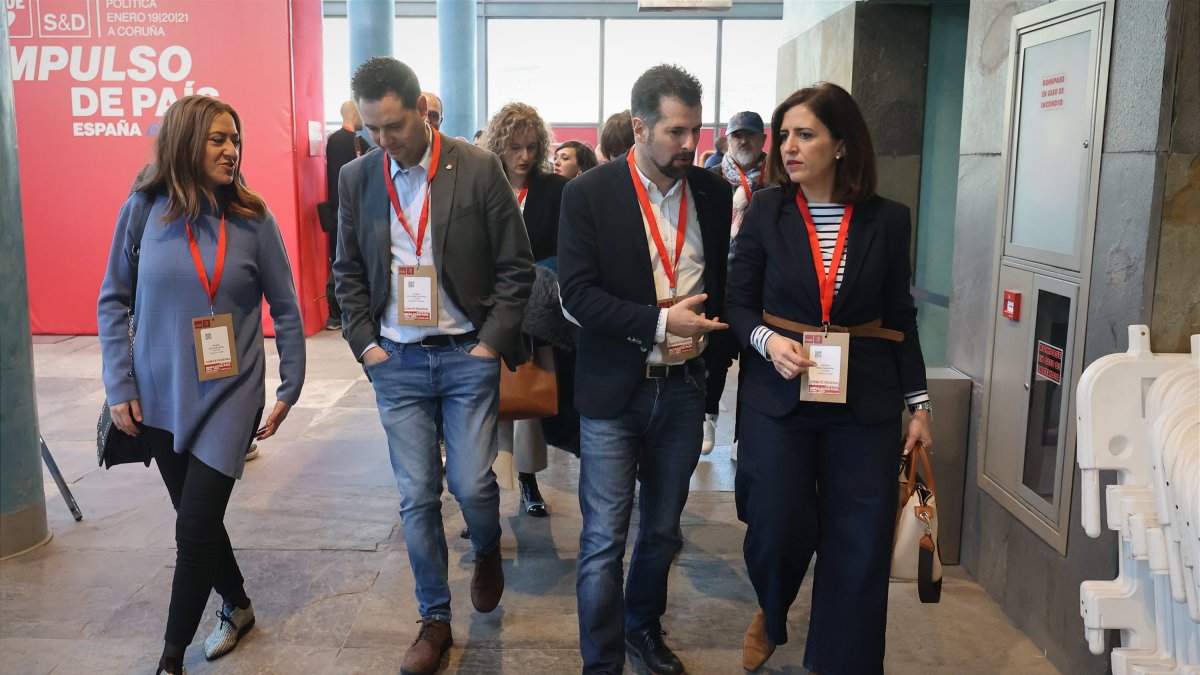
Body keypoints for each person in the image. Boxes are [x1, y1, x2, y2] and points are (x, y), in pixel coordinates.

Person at [332, 57, 534, 675]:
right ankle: (435, 620)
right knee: (416, 497)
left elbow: (516, 267)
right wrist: (368, 347)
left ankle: (489, 546)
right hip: (396, 361)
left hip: (466, 354)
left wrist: (490, 345)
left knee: (473, 484)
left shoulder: (476, 169)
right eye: (372, 130)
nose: (383, 141)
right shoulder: (358, 177)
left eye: (392, 126)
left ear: (420, 110)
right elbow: (347, 273)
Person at [725, 82, 933, 673]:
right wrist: (767, 342)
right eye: (783, 135)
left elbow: (899, 318)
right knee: (776, 524)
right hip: (779, 396)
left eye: (805, 134)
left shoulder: (888, 220)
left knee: (858, 544)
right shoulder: (765, 210)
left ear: (841, 145)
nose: (788, 147)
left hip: (864, 400)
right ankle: (773, 601)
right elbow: (738, 303)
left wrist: (919, 405)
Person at [98, 95, 306, 675]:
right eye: (218, 139)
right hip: (160, 395)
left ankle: (170, 661)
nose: (231, 150)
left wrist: (291, 383)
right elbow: (113, 300)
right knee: (201, 519)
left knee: (192, 529)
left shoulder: (253, 217)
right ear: (187, 142)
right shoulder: (142, 211)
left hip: (230, 394)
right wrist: (120, 384)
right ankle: (236, 605)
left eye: (235, 139)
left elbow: (286, 308)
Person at [559, 64, 732, 675]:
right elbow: (576, 296)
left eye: (697, 131)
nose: (691, 145)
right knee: (604, 540)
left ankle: (641, 629)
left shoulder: (713, 193)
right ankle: (600, 663)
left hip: (684, 391)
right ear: (639, 127)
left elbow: (723, 286)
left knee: (662, 533)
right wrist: (662, 324)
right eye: (677, 132)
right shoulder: (590, 193)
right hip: (613, 391)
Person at [479, 102, 569, 516]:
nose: (525, 156)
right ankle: (489, 492)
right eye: (516, 147)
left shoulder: (555, 189)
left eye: (532, 146)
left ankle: (530, 482)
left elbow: (564, 250)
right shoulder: (483, 183)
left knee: (527, 399)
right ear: (500, 144)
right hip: (487, 306)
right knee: (488, 401)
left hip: (536, 310)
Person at [701, 110, 769, 456]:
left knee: (755, 362)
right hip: (719, 281)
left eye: (750, 135)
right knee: (716, 354)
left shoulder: (776, 182)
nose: (743, 141)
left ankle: (744, 433)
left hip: (762, 285)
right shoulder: (710, 179)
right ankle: (708, 416)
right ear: (727, 140)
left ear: (762, 140)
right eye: (736, 135)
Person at [324, 100, 366, 331]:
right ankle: (338, 313)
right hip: (352, 213)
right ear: (353, 114)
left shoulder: (332, 141)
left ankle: (336, 314)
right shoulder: (358, 143)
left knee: (338, 260)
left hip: (336, 210)